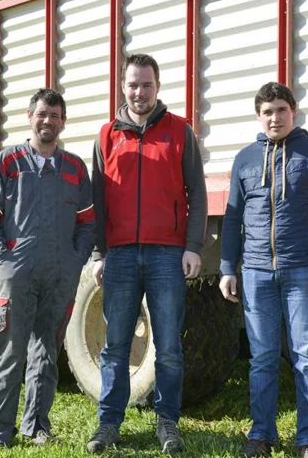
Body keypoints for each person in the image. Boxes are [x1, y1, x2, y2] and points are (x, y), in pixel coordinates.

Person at [85, 53, 207, 454]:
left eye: (147, 85)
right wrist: (99, 253)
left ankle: (167, 422)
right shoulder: (106, 136)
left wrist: (192, 247)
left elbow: (197, 193)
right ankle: (108, 424)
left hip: (167, 256)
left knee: (168, 347)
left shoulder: (179, 131)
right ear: (123, 87)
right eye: (133, 85)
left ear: (158, 86)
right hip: (119, 256)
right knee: (115, 346)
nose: (140, 92)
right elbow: (97, 200)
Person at [219, 82, 308, 458]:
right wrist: (227, 268)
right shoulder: (244, 159)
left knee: (306, 358)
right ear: (258, 117)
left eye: (281, 110)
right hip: (256, 273)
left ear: (294, 112)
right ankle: (261, 434)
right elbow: (233, 217)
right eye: (268, 112)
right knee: (262, 358)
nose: (275, 117)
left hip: (303, 270)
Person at [0, 88, 95, 448]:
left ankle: (36, 425)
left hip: (60, 275)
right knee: (10, 352)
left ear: (63, 122)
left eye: (55, 116)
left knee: (47, 353)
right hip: (18, 274)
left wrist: (75, 260)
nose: (48, 121)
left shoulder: (74, 168)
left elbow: (87, 222)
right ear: (30, 117)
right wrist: (3, 260)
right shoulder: (8, 162)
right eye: (42, 114)